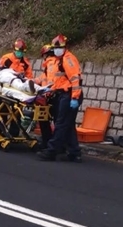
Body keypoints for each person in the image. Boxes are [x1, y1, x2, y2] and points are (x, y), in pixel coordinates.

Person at [37, 34, 83, 162]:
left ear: (65, 47)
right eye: (55, 48)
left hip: (69, 94)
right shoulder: (59, 60)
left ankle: (51, 150)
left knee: (61, 123)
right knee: (67, 124)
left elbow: (75, 80)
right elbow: (57, 80)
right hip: (63, 94)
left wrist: (74, 98)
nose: (57, 50)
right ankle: (74, 152)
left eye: (60, 47)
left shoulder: (68, 59)